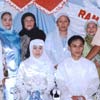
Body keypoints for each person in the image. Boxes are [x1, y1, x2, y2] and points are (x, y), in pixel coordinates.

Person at [55, 35, 99, 100]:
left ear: (83, 47)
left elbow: (94, 82)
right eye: (74, 46)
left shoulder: (90, 65)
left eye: (80, 46)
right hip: (67, 98)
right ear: (69, 48)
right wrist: (70, 96)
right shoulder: (63, 65)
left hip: (86, 98)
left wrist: (85, 96)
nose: (77, 49)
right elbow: (60, 83)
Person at [14, 32, 55, 100]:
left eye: (40, 48)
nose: (37, 51)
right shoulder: (24, 64)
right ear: (30, 49)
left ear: (43, 49)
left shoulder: (48, 64)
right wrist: (25, 94)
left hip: (44, 96)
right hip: (27, 96)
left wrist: (44, 94)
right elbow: (18, 81)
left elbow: (51, 82)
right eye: (35, 48)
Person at [0, 12, 21, 100]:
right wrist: (1, 76)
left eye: (10, 19)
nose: (8, 22)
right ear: (1, 21)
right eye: (5, 20)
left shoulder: (16, 35)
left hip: (19, 72)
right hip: (6, 74)